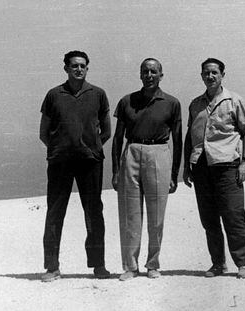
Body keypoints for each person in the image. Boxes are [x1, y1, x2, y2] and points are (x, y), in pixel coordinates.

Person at [39, 50, 111, 282]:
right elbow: (44, 132)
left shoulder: (98, 94)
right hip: (60, 163)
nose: (78, 69)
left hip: (90, 162)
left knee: (93, 213)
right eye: (74, 66)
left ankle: (98, 265)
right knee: (54, 212)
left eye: (82, 66)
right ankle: (52, 267)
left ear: (87, 68)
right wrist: (60, 149)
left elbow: (106, 130)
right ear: (66, 69)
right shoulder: (53, 95)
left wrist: (91, 149)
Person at [112, 58, 182, 281]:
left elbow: (178, 141)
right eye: (145, 71)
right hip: (131, 152)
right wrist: (115, 171)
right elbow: (117, 138)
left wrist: (174, 175)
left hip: (159, 153)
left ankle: (153, 264)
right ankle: (130, 267)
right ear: (140, 74)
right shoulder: (127, 101)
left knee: (156, 215)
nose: (149, 75)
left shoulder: (172, 103)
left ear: (161, 75)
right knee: (130, 214)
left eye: (154, 71)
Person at [183, 58, 245, 279]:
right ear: (201, 75)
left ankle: (242, 263)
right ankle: (218, 264)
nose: (210, 76)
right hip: (201, 167)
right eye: (206, 73)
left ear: (223, 74)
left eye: (214, 72)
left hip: (228, 167)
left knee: (233, 217)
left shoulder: (234, 100)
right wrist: (187, 165)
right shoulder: (195, 104)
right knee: (209, 219)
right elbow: (190, 135)